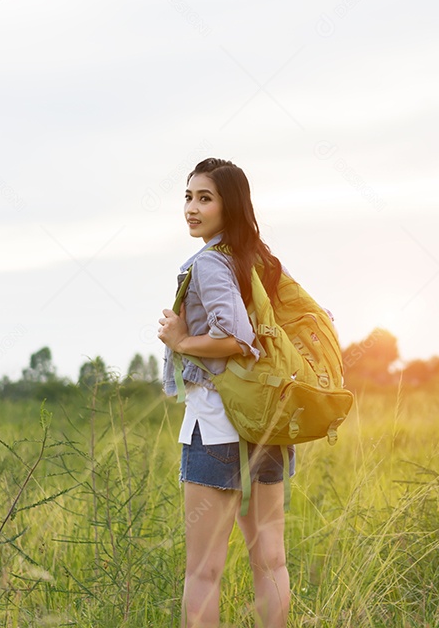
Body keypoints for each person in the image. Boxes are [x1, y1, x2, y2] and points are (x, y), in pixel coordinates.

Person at [157, 157, 292, 628]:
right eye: (188, 197)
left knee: (203, 571)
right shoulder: (260, 261)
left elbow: (236, 337)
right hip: (266, 424)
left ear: (228, 205)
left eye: (205, 198)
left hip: (216, 425)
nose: (192, 208)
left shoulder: (210, 262)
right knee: (271, 559)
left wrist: (180, 342)